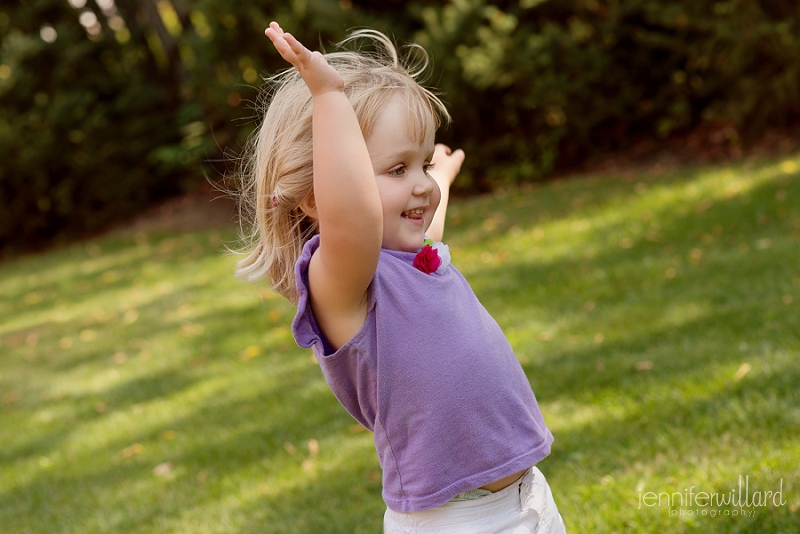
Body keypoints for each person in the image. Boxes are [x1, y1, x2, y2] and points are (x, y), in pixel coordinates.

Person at [236, 21, 567, 533]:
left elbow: (427, 222)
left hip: (528, 498)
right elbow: (357, 217)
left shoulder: (413, 256)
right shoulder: (343, 283)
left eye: (422, 166)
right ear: (318, 199)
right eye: (397, 170)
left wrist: (441, 178)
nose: (420, 187)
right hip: (456, 520)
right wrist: (328, 98)